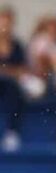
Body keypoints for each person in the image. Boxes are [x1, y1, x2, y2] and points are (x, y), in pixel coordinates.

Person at [0, 5, 27, 151]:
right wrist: (10, 71)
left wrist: (7, 71)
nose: (5, 26)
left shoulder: (17, 45)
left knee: (14, 89)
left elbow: (22, 70)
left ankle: (11, 133)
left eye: (8, 22)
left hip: (9, 86)